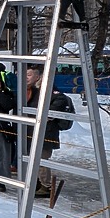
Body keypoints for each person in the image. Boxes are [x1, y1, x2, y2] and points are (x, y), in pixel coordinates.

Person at [25, 64, 70, 199]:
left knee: (42, 159)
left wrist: (46, 114)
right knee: (34, 160)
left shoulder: (53, 93)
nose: (26, 78)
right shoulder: (32, 92)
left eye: (29, 75)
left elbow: (55, 107)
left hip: (46, 133)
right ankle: (38, 183)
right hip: (32, 132)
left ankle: (46, 186)